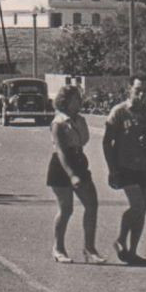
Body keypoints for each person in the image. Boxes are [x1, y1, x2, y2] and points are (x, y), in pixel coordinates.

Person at [102, 76, 146, 265]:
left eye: (145, 91)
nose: (141, 95)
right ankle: (120, 239)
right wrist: (112, 169)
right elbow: (107, 142)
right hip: (125, 166)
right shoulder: (118, 112)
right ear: (129, 89)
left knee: (142, 211)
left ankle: (132, 252)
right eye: (138, 90)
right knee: (137, 206)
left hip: (145, 167)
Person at [47, 84, 105, 263]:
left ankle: (90, 249)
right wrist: (72, 175)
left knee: (92, 205)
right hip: (62, 167)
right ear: (65, 102)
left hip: (79, 162)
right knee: (66, 209)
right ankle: (58, 248)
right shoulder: (58, 123)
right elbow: (61, 152)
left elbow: (82, 143)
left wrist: (78, 168)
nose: (80, 102)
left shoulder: (80, 120)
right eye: (76, 99)